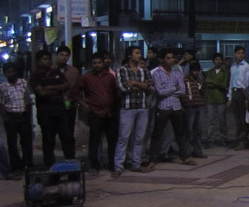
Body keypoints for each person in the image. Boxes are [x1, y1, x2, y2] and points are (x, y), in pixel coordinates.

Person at [72, 52, 119, 173]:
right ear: (91, 64)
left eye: (99, 63)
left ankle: (112, 165)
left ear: (103, 63)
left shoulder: (110, 77)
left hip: (110, 113)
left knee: (112, 141)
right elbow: (75, 92)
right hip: (95, 113)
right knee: (94, 141)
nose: (97, 65)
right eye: (94, 63)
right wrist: (83, 104)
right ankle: (94, 165)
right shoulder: (86, 77)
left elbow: (115, 93)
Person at [149, 49, 196, 166]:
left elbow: (182, 90)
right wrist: (174, 89)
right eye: (168, 58)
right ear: (162, 60)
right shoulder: (157, 73)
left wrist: (172, 90)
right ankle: (152, 159)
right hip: (163, 107)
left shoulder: (177, 72)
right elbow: (160, 92)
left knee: (180, 133)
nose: (171, 61)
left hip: (176, 106)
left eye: (172, 58)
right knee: (157, 134)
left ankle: (185, 156)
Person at [30, 50, 75, 166]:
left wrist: (49, 87)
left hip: (60, 112)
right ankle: (50, 166)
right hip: (45, 114)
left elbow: (67, 86)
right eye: (44, 59)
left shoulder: (56, 72)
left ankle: (71, 164)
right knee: (49, 140)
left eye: (49, 58)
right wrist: (58, 90)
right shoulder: (35, 75)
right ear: (38, 61)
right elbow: (41, 93)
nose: (47, 61)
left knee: (66, 138)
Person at [114, 46, 154, 176]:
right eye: (136, 53)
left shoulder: (144, 70)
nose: (139, 55)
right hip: (128, 107)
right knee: (123, 137)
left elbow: (149, 86)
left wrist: (133, 83)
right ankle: (118, 166)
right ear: (129, 56)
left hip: (142, 107)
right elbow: (123, 88)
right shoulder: (122, 70)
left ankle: (136, 164)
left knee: (140, 138)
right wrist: (140, 86)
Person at [0, 62, 33, 173]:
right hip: (11, 116)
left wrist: (29, 115)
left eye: (13, 71)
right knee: (12, 143)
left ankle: (28, 164)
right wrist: (5, 118)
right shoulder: (2, 87)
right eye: (9, 72)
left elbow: (28, 100)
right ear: (5, 74)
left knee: (26, 142)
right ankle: (16, 166)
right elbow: (1, 103)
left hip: (23, 115)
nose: (11, 74)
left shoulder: (23, 83)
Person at [203, 53, 229, 147]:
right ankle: (209, 139)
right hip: (211, 98)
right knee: (210, 121)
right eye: (216, 59)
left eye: (219, 59)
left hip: (221, 98)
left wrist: (213, 82)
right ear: (213, 61)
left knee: (222, 120)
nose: (218, 61)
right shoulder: (210, 71)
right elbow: (206, 84)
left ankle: (224, 139)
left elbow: (223, 85)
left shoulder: (224, 72)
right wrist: (215, 83)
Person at [182, 62, 207, 158]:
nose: (196, 73)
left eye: (197, 71)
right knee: (188, 131)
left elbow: (204, 92)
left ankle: (197, 151)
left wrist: (203, 100)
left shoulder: (200, 80)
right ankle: (187, 152)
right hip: (190, 108)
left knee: (198, 130)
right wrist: (185, 104)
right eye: (194, 71)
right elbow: (183, 94)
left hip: (199, 106)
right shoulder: (185, 80)